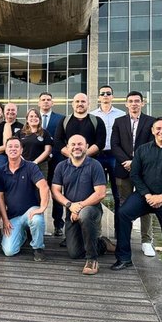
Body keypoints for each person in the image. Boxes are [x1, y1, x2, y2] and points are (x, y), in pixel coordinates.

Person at [112, 117, 162, 283]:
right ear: (153, 131)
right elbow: (135, 175)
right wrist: (147, 195)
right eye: (158, 128)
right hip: (145, 197)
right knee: (123, 213)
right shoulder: (143, 150)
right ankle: (124, 258)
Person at [52, 135, 111, 275]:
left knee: (85, 214)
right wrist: (69, 205)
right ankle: (102, 244)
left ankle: (92, 259)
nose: (76, 147)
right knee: (74, 253)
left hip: (92, 209)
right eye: (73, 144)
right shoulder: (61, 166)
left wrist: (79, 206)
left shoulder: (95, 165)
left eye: (80, 144)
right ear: (67, 148)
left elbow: (100, 193)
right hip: (71, 211)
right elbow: (55, 191)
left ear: (86, 146)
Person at [53, 92, 106, 248]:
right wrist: (73, 156)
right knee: (70, 194)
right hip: (69, 165)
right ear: (72, 104)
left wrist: (82, 156)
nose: (80, 104)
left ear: (88, 104)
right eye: (77, 101)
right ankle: (70, 234)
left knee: (92, 197)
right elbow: (58, 141)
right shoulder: (65, 121)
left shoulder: (96, 121)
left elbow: (100, 142)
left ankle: (96, 236)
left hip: (91, 164)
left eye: (83, 101)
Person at [111, 91, 156, 256]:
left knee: (147, 203)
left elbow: (153, 145)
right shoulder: (119, 122)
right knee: (123, 204)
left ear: (142, 103)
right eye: (130, 101)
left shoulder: (151, 122)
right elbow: (114, 145)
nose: (134, 104)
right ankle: (124, 239)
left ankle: (146, 241)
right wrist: (127, 161)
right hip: (123, 169)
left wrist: (135, 162)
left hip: (145, 170)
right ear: (126, 104)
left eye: (137, 101)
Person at [0, 137, 49, 261]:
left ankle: (38, 248)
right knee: (9, 251)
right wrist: (5, 219)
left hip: (31, 212)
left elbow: (44, 187)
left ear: (21, 150)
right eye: (10, 146)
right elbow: (0, 197)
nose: (13, 149)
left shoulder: (31, 167)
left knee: (37, 220)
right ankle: (23, 234)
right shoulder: (1, 172)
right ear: (6, 150)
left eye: (16, 146)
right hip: (13, 216)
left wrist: (42, 208)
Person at [90, 85, 126, 208]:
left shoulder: (121, 114)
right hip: (97, 155)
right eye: (102, 93)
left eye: (108, 93)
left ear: (112, 97)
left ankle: (119, 219)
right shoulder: (92, 115)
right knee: (96, 190)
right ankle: (96, 217)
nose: (105, 95)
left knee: (118, 191)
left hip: (114, 155)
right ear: (99, 97)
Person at [38, 92, 64, 236]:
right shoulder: (33, 118)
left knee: (56, 192)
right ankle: (38, 224)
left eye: (48, 99)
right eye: (43, 100)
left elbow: (61, 140)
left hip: (56, 161)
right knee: (38, 193)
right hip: (39, 163)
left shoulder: (60, 119)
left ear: (52, 103)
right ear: (39, 102)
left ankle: (58, 225)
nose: (46, 102)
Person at [16, 108, 53, 178]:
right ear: (27, 119)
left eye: (36, 116)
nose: (34, 118)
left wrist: (35, 162)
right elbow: (15, 148)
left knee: (41, 184)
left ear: (39, 119)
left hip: (41, 165)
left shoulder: (45, 133)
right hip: (22, 164)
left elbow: (48, 150)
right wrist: (23, 161)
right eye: (31, 116)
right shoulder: (19, 133)